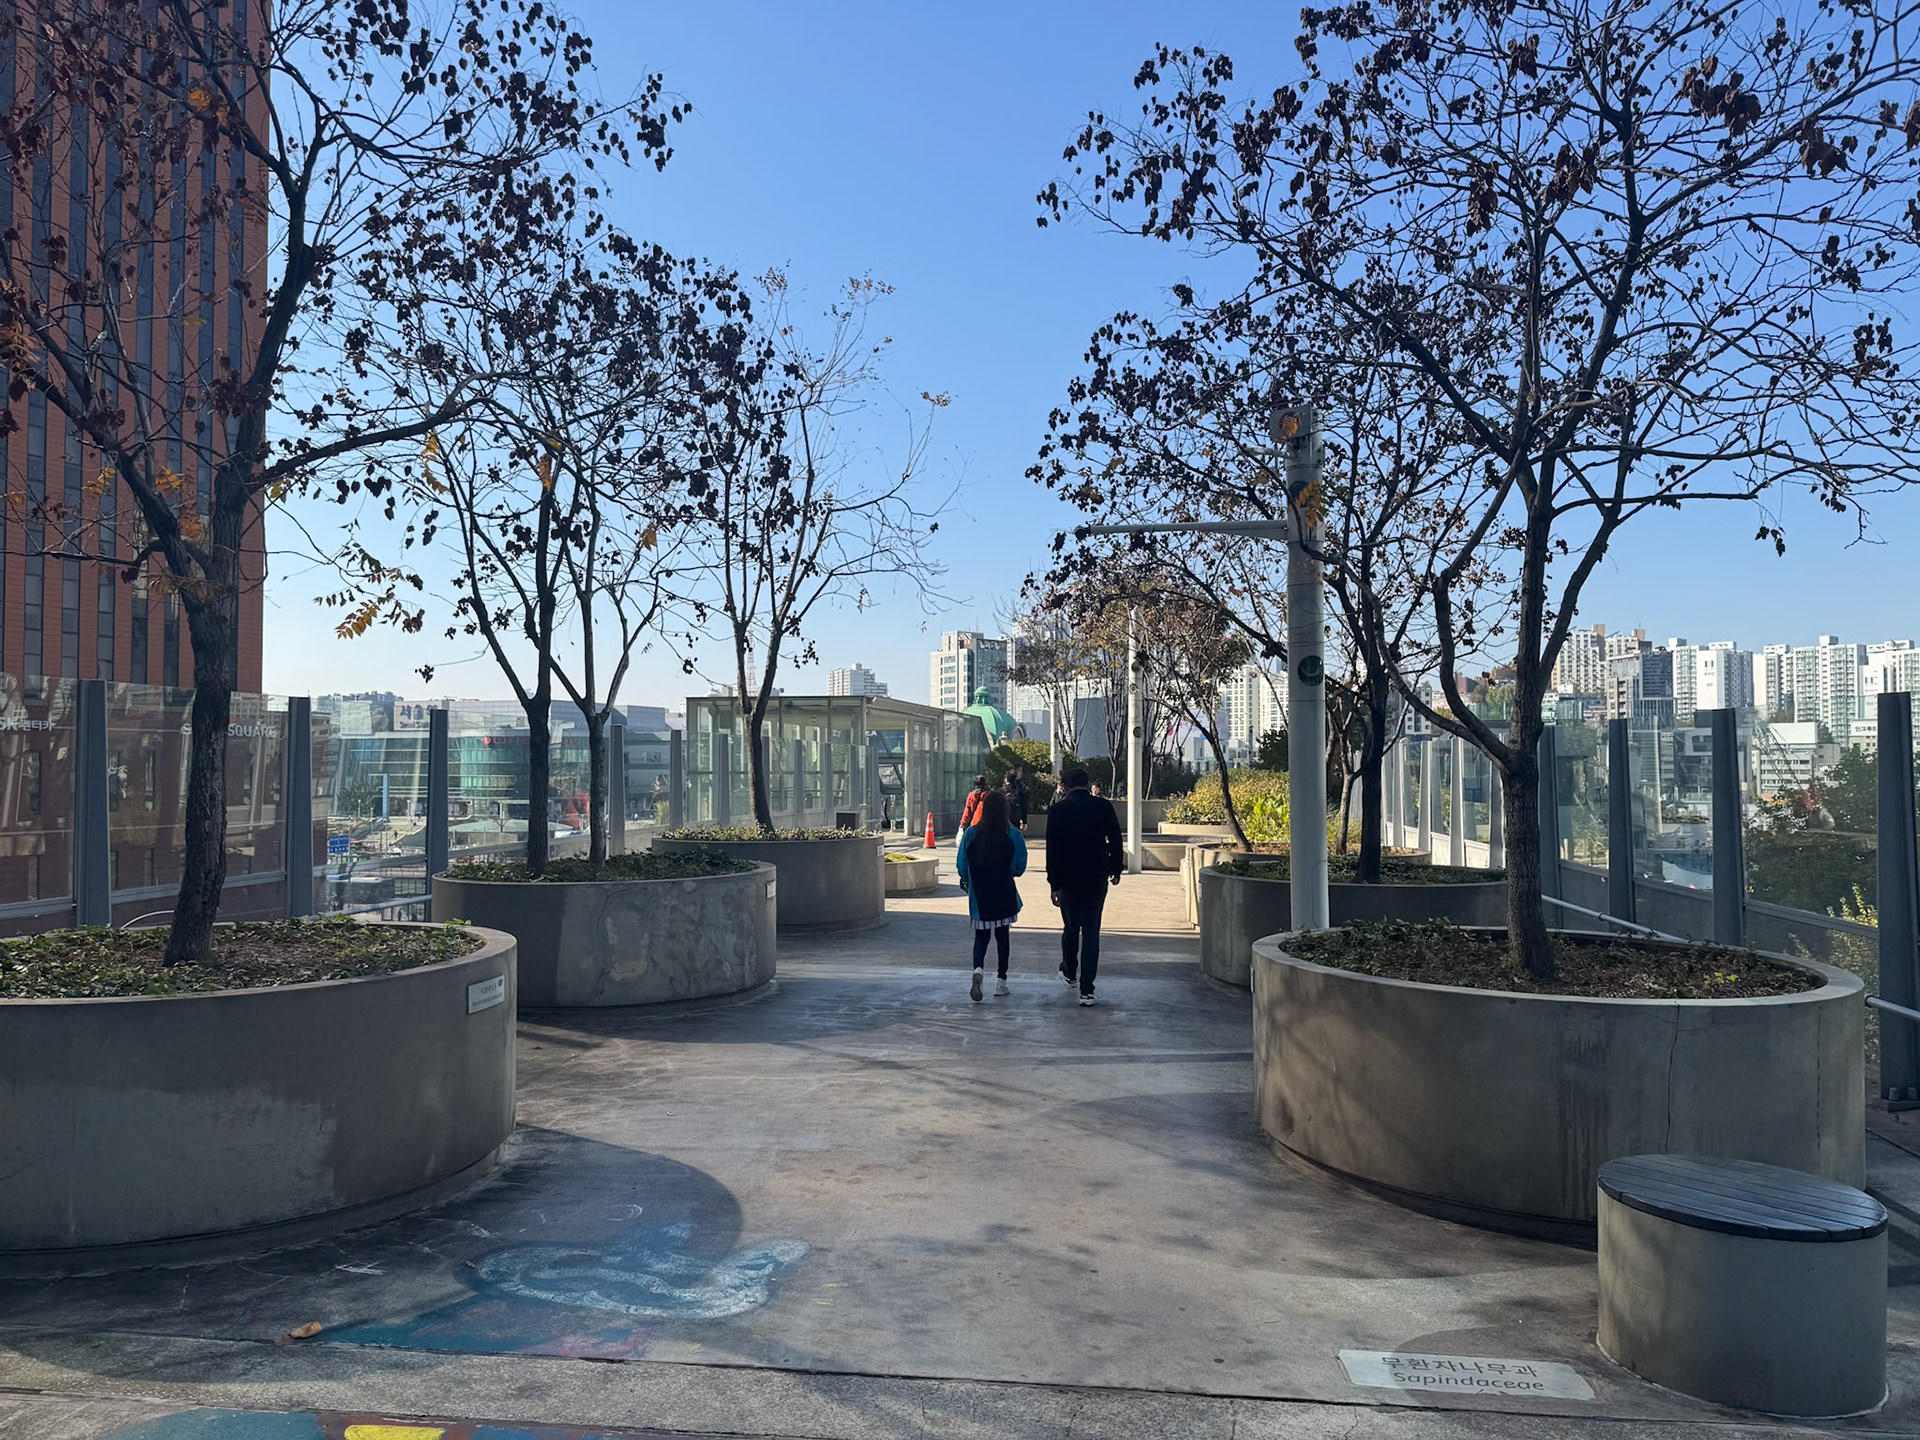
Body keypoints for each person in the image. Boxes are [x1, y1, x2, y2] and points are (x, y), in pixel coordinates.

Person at [1045, 766, 1123, 1007]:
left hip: (1067, 878)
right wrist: (1116, 867)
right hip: (1096, 876)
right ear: (1088, 784)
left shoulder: (1057, 811)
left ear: (1065, 787)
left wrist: (1053, 883)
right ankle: (1087, 990)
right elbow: (1116, 838)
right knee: (1091, 932)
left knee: (1070, 927)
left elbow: (1052, 849)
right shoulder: (1102, 807)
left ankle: (1069, 972)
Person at [956, 788, 1027, 1001]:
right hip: (1004, 892)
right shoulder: (1012, 834)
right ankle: (1001, 981)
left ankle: (978, 970)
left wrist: (968, 880)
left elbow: (961, 866)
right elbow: (1020, 866)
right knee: (1003, 937)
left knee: (981, 937)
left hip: (980, 896)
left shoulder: (971, 833)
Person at [1002, 765, 1029, 832]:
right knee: (1015, 835)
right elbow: (1023, 805)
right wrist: (1024, 821)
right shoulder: (1019, 790)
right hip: (1016, 817)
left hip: (1004, 817)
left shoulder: (1002, 790)